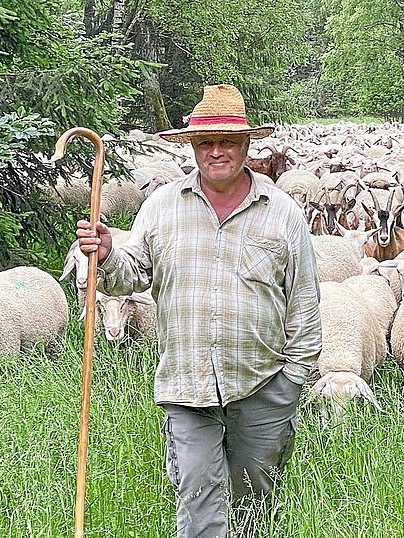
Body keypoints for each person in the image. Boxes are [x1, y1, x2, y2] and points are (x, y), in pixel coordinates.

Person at [75, 84, 322, 537]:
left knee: (257, 505)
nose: (216, 151)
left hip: (262, 385)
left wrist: (292, 379)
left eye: (227, 140)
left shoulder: (282, 213)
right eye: (205, 141)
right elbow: (132, 276)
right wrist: (108, 254)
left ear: (247, 144)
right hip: (185, 387)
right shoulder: (161, 208)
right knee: (197, 505)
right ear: (191, 147)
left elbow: (304, 300)